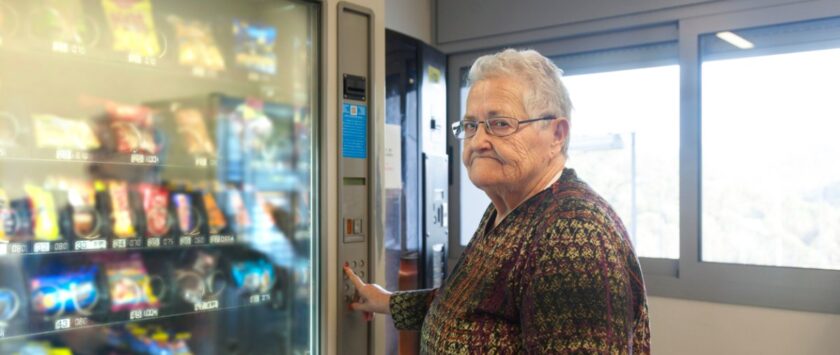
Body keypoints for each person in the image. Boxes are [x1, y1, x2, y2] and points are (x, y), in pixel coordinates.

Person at [344, 49, 650, 354]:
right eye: (470, 126)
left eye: (500, 124)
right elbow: (466, 304)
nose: (477, 142)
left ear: (557, 134)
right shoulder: (504, 209)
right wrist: (386, 301)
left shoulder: (574, 233)